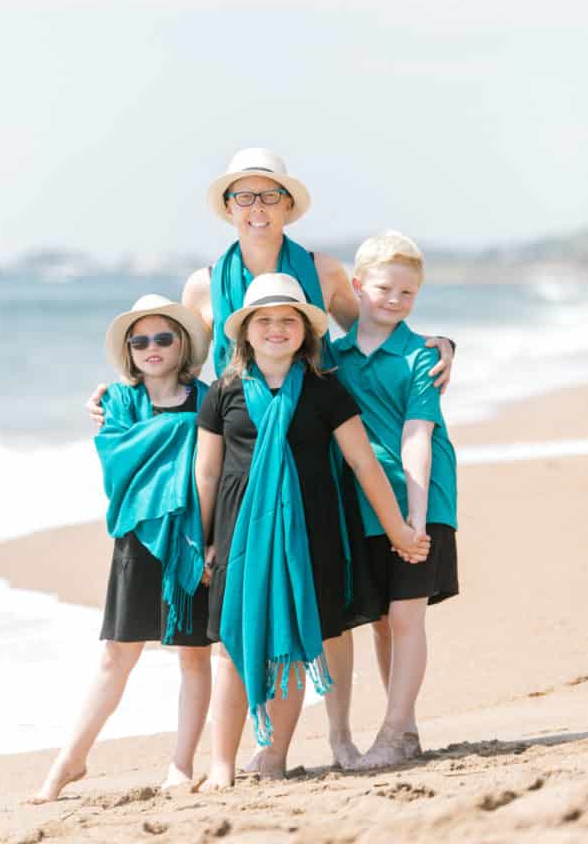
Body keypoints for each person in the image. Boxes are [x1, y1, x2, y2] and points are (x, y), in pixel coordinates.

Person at [87, 147, 455, 770]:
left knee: (353, 605)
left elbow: (369, 330)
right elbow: (186, 371)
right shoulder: (204, 283)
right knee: (279, 603)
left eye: (269, 196)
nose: (256, 209)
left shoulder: (323, 268)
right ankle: (297, 742)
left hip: (327, 450)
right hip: (251, 468)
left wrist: (443, 342)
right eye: (243, 197)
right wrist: (118, 390)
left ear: (288, 204)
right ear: (229, 207)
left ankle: (384, 730)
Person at [194, 273, 431, 788]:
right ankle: (221, 764)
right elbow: (207, 472)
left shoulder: (326, 390)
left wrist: (398, 529)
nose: (276, 329)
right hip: (239, 538)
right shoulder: (223, 392)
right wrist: (205, 538)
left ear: (305, 332)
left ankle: (274, 757)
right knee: (233, 649)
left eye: (288, 320)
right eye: (265, 321)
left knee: (296, 648)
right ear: (245, 333)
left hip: (312, 534)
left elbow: (364, 464)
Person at [30, 295, 212, 803]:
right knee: (116, 655)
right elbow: (117, 459)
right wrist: (179, 428)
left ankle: (181, 765)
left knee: (193, 657)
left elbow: (221, 464)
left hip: (192, 538)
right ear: (129, 352)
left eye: (163, 338)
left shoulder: (210, 398)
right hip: (137, 536)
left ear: (183, 344)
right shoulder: (118, 403)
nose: (152, 348)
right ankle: (70, 761)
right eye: (140, 341)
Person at [331, 232, 458, 768]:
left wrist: (414, 516)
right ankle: (403, 731)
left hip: (421, 496)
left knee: (407, 619)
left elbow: (417, 438)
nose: (395, 300)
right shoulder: (330, 358)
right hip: (362, 501)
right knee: (383, 619)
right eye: (385, 288)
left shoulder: (419, 356)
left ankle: (391, 733)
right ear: (358, 286)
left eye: (408, 294)